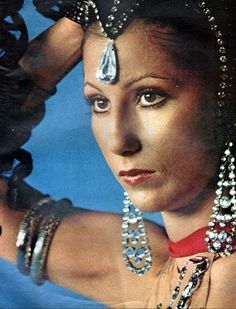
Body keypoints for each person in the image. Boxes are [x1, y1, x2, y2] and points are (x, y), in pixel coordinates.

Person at [0, 0, 236, 308]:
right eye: (99, 102)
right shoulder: (147, 272)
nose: (118, 140)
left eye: (150, 96)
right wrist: (87, 18)